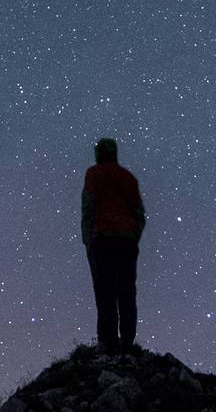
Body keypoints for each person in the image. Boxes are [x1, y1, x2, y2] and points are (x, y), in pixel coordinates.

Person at [81, 138, 146, 356]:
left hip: (103, 238)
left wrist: (88, 237)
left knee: (105, 290)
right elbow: (139, 213)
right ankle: (127, 343)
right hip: (126, 240)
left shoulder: (93, 174)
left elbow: (88, 206)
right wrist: (134, 235)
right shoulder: (129, 178)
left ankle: (107, 342)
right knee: (127, 291)